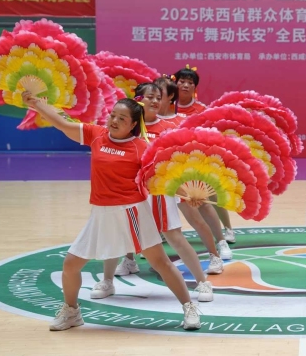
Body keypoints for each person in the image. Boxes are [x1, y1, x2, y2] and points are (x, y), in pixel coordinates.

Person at [21, 91, 202, 331]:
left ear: (133, 125)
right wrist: (37, 105)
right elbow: (63, 124)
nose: (114, 121)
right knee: (71, 265)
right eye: (113, 115)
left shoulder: (141, 148)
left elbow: (162, 178)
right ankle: (72, 312)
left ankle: (189, 307)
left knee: (161, 262)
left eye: (122, 119)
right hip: (100, 212)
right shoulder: (96, 135)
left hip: (132, 212)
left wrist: (187, 194)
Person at [103, 83, 215, 302]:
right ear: (138, 99)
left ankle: (202, 282)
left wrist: (186, 190)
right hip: (129, 191)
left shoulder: (169, 128)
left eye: (158, 97)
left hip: (160, 190)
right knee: (118, 234)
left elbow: (177, 162)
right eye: (150, 97)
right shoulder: (127, 127)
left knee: (174, 236)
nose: (155, 101)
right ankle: (108, 281)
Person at [171, 66, 237, 250]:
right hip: (174, 161)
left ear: (195, 87)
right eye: (182, 81)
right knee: (166, 195)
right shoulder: (167, 106)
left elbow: (211, 135)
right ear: (175, 83)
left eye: (190, 83)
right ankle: (164, 231)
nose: (185, 85)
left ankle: (227, 230)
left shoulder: (202, 110)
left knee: (211, 195)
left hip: (197, 159)